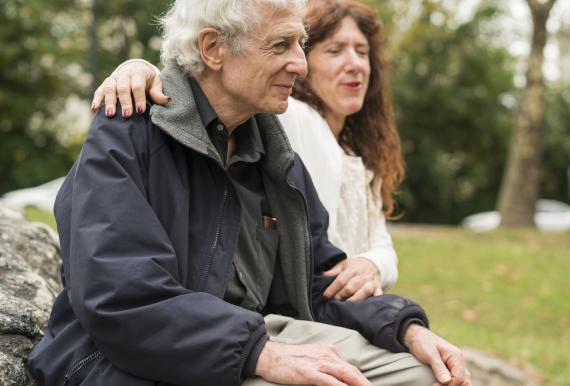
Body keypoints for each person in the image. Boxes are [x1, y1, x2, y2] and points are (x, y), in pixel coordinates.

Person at [27, 1, 470, 385]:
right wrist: (262, 353)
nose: (300, 64)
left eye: (300, 43)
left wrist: (405, 327)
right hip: (133, 358)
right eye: (281, 45)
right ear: (213, 48)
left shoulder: (276, 154)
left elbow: (321, 280)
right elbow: (120, 296)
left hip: (253, 336)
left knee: (424, 375)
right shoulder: (128, 131)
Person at [93, 0, 403, 303]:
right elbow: (123, 292)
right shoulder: (285, 117)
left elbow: (358, 252)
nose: (355, 64)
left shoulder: (344, 151)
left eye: (362, 52)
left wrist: (393, 304)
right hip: (232, 335)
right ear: (213, 47)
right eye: (334, 51)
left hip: (313, 310)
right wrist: (139, 69)